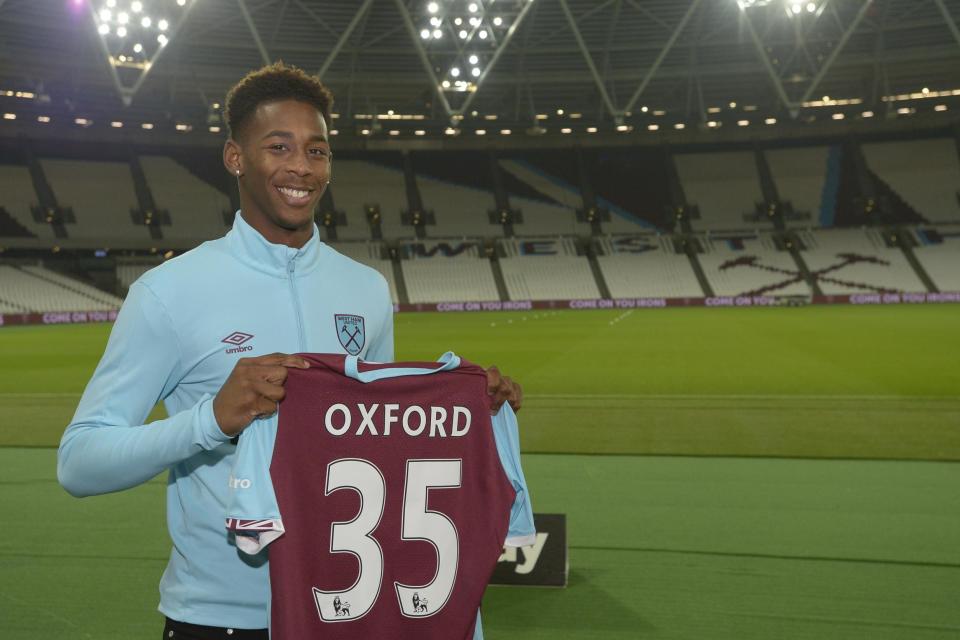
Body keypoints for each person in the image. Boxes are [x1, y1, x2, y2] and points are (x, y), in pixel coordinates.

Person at [57, 62, 522, 640]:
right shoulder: (168, 293)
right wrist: (210, 421)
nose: (301, 167)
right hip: (221, 619)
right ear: (235, 157)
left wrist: (474, 410)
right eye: (279, 147)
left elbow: (373, 444)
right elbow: (79, 462)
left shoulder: (367, 290)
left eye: (317, 150)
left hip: (346, 610)